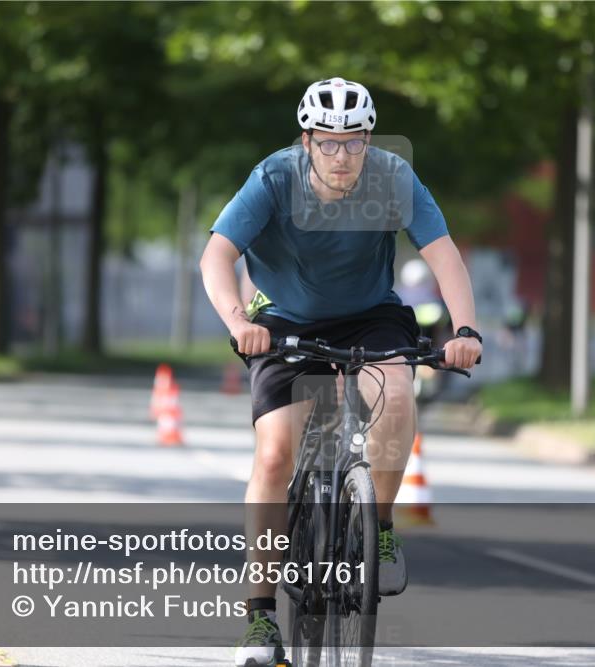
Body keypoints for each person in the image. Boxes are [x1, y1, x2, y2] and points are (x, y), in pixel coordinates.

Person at [200, 77, 481, 667]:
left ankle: (377, 525)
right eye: (327, 141)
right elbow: (217, 254)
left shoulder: (392, 178)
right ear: (306, 140)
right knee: (275, 454)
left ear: (368, 139)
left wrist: (465, 330)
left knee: (398, 394)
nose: (341, 155)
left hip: (370, 315)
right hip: (281, 320)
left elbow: (443, 252)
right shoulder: (274, 178)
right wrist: (237, 321)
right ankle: (259, 617)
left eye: (353, 141)